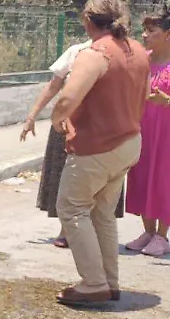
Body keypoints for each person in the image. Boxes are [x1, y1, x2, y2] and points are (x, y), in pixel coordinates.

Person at [50, 0, 149, 306]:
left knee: (71, 208)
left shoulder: (95, 54)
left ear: (87, 20)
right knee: (103, 214)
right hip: (128, 143)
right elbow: (144, 95)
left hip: (97, 147)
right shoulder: (137, 51)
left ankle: (93, 284)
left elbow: (66, 98)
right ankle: (110, 282)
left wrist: (57, 120)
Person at [22, 39, 125, 247]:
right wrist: (31, 117)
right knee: (67, 177)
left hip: (103, 128)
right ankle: (67, 229)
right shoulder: (77, 52)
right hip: (67, 125)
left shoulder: (123, 53)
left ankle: (94, 231)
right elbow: (53, 87)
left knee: (98, 180)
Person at [122, 3, 170, 257]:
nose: (144, 35)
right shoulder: (143, 62)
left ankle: (163, 235)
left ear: (167, 34)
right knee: (141, 176)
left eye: (151, 30)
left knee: (163, 180)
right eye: (143, 30)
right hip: (142, 130)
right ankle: (148, 231)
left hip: (167, 135)